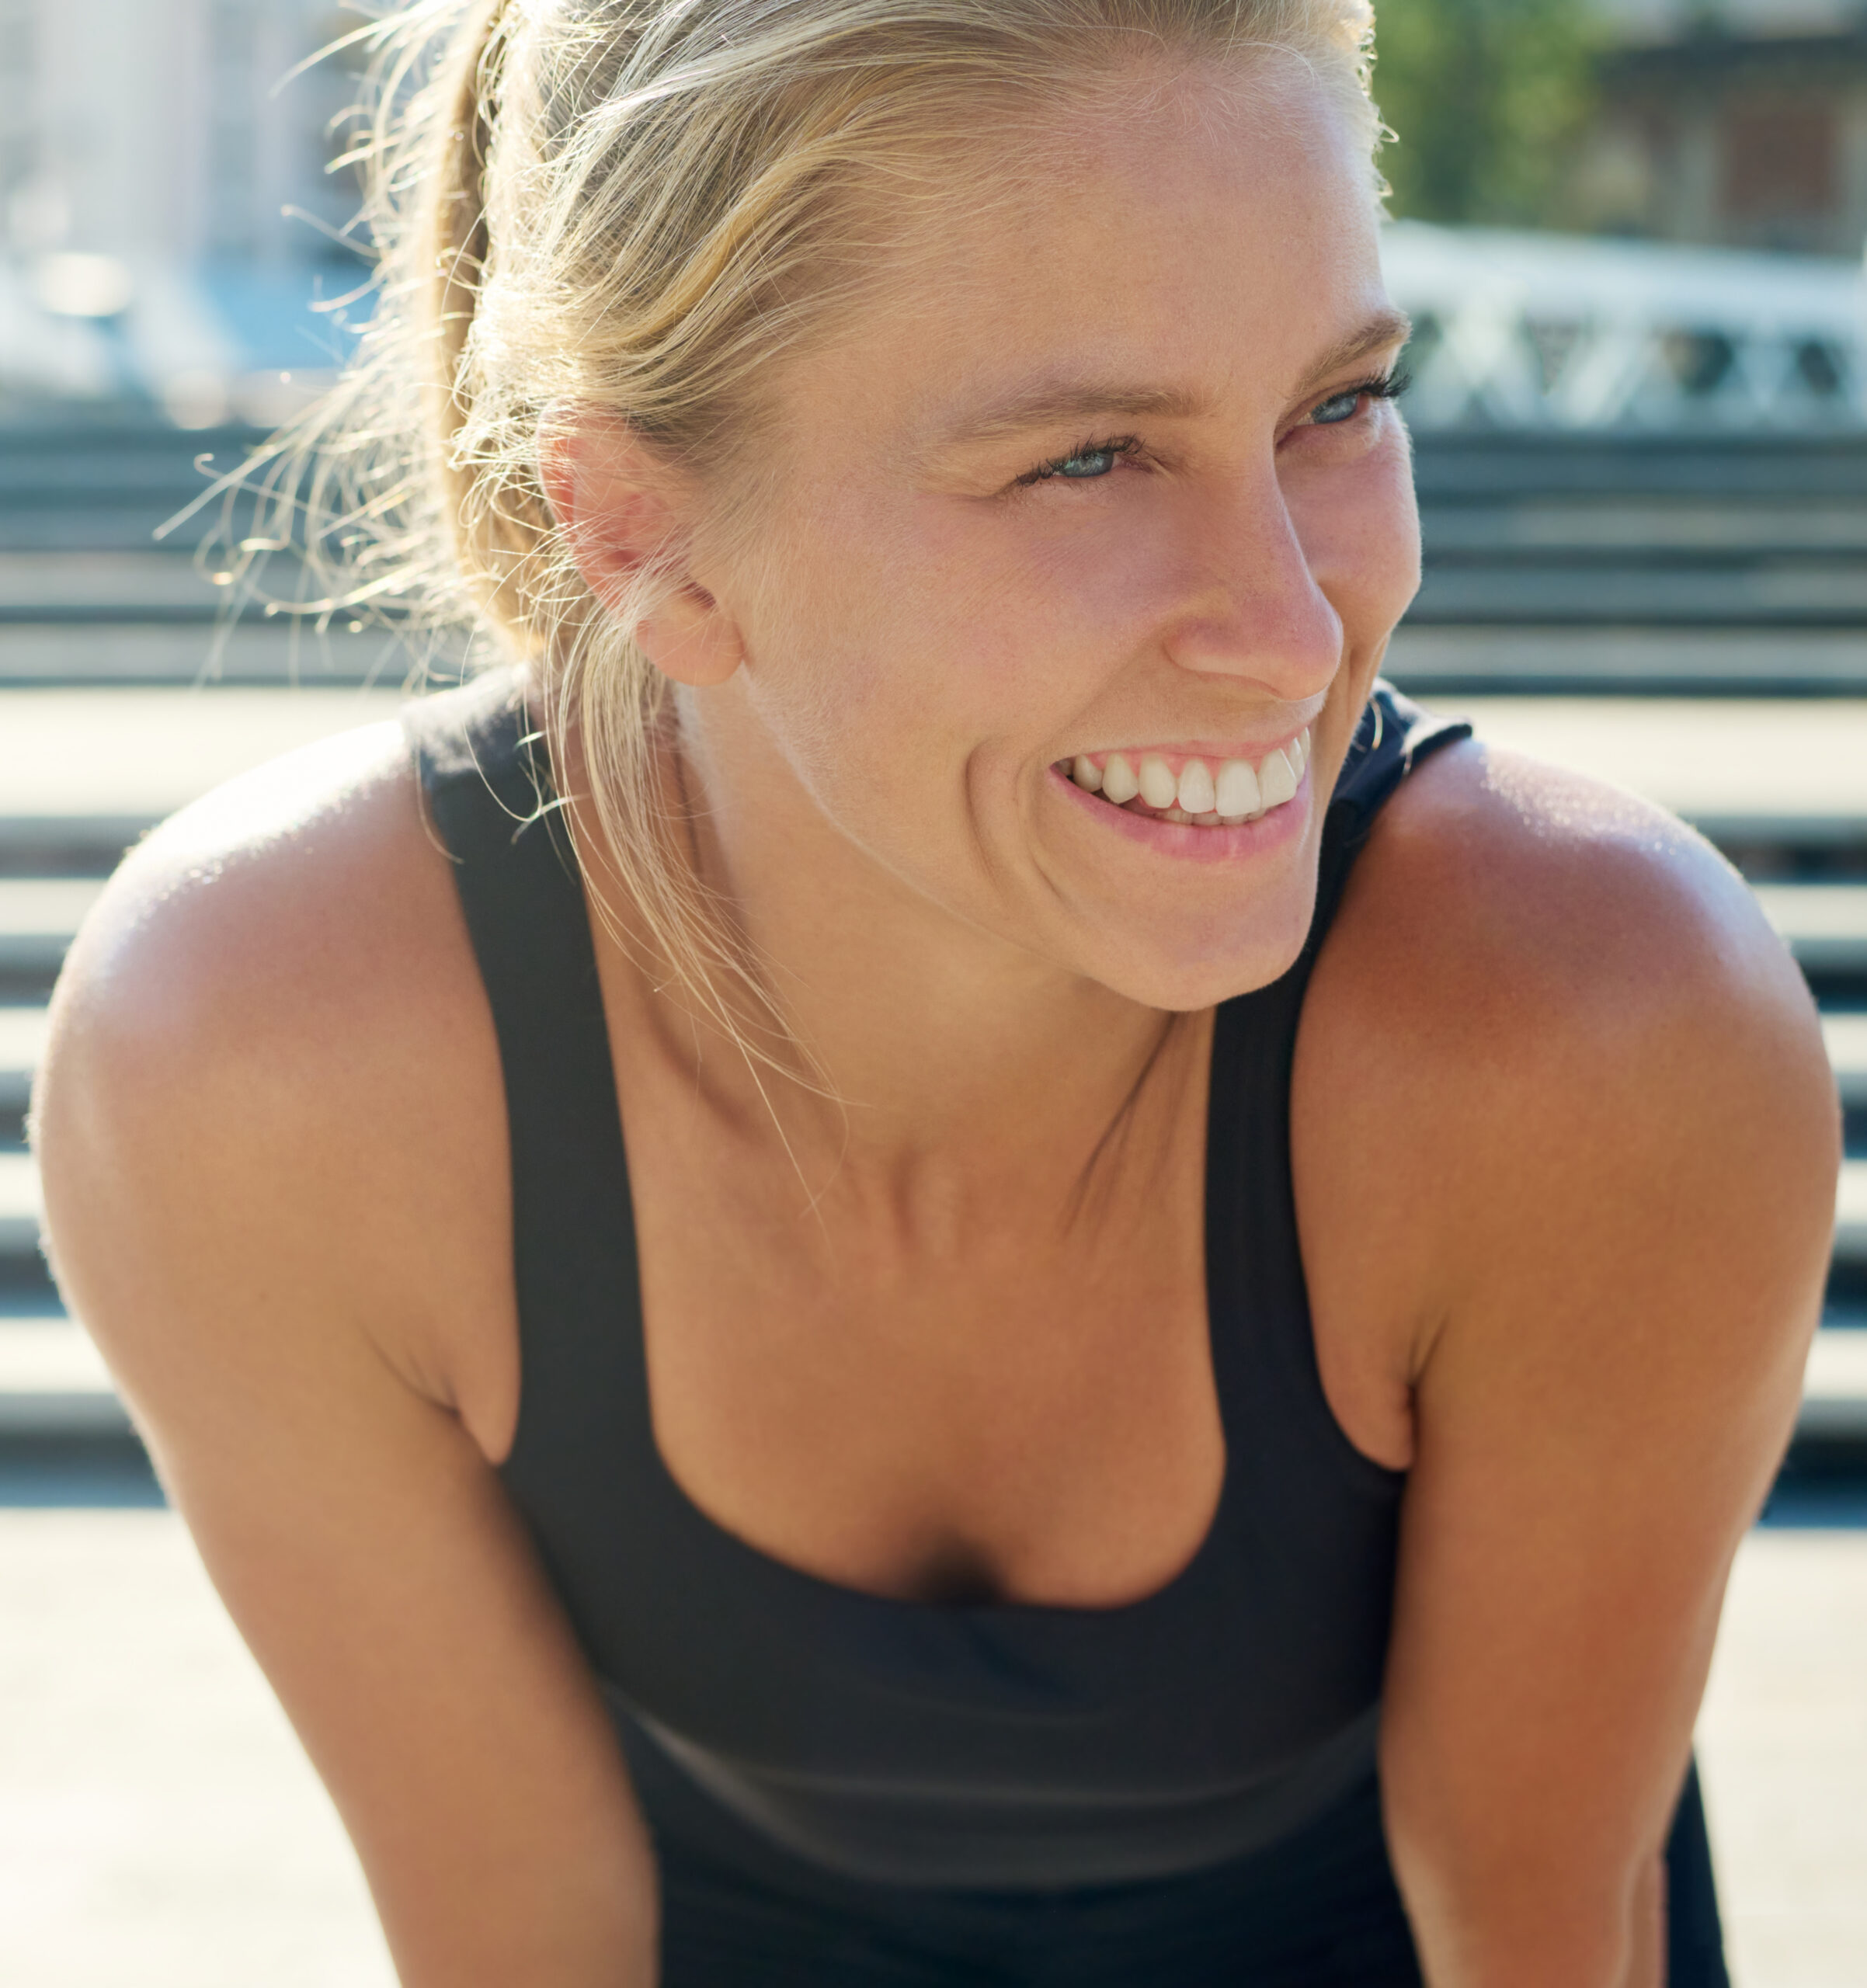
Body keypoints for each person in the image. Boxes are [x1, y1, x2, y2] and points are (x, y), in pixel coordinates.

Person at [32, 2, 1840, 1983]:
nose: (1291, 627)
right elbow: (524, 1936)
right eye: (1084, 458)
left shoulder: (1594, 1029)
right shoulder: (258, 1059)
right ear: (636, 529)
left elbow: (1538, 1924)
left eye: (1334, 405)